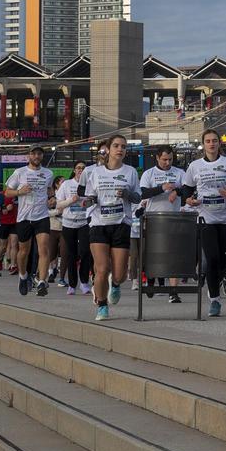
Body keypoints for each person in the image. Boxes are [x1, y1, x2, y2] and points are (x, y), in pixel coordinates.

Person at [180, 129, 226, 317]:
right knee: (212, 258)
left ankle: (216, 282)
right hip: (205, 218)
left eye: (214, 141)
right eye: (208, 141)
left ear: (219, 144)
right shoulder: (195, 166)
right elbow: (186, 189)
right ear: (203, 144)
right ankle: (215, 300)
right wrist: (189, 200)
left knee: (224, 259)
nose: (211, 144)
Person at [85, 134, 140, 320]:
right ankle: (101, 305)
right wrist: (90, 201)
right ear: (108, 149)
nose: (120, 149)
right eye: (116, 146)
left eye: (123, 147)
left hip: (121, 224)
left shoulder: (130, 172)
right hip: (99, 224)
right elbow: (90, 196)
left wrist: (126, 194)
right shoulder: (96, 172)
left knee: (120, 274)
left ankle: (115, 285)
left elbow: (137, 198)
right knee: (102, 269)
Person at [4, 146, 57, 296]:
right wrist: (19, 192)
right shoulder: (20, 172)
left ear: (42, 156)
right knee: (23, 252)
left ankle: (41, 282)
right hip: (24, 218)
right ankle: (23, 276)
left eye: (39, 153)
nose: (36, 156)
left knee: (44, 249)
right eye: (33, 153)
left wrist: (52, 198)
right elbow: (7, 191)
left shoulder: (48, 173)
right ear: (29, 156)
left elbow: (49, 191)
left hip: (42, 216)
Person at [138, 145, 186, 303]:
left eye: (170, 159)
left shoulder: (179, 173)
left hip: (174, 218)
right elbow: (143, 193)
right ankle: (151, 280)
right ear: (157, 158)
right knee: (154, 254)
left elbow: (188, 190)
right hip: (153, 218)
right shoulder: (149, 173)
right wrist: (161, 188)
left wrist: (176, 192)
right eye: (164, 159)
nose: (167, 162)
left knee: (174, 255)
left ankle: (173, 291)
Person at [55, 162, 91, 296]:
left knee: (85, 251)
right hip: (68, 223)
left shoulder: (90, 183)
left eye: (83, 168)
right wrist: (71, 200)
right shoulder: (67, 184)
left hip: (84, 222)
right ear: (74, 170)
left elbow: (93, 201)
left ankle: (84, 282)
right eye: (78, 168)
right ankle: (72, 284)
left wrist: (87, 203)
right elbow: (58, 205)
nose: (81, 170)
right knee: (71, 254)